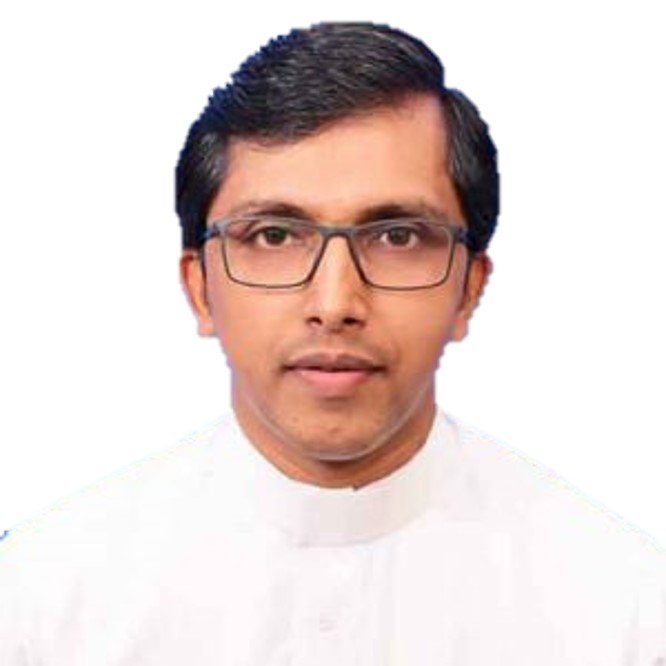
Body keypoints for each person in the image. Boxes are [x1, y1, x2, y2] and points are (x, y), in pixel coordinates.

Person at [1, 21, 664, 665]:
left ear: (469, 290)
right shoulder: (39, 605)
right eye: (274, 236)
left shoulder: (626, 613)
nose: (335, 304)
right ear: (200, 288)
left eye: (398, 236)